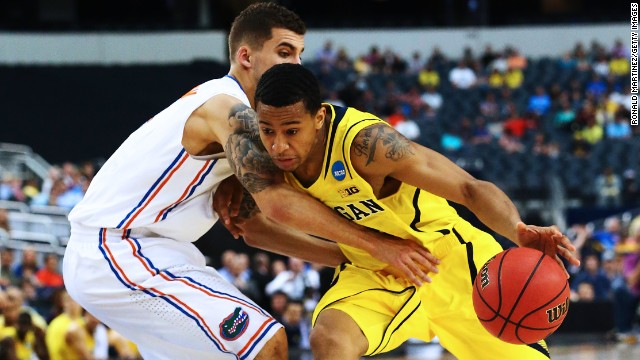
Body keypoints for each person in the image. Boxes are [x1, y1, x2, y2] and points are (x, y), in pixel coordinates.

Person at [63, 3, 434, 360]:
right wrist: (378, 247)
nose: (296, 65)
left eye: (300, 54)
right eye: (285, 52)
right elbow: (276, 202)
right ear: (245, 57)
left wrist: (348, 259)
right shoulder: (226, 108)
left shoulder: (252, 128)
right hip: (117, 247)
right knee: (265, 343)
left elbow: (254, 227)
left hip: (157, 252)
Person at [230, 63, 581, 359]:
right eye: (267, 130)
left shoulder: (367, 145)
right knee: (331, 338)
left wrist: (516, 229)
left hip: (449, 260)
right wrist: (355, 252)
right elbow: (257, 226)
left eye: (292, 131)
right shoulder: (257, 153)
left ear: (319, 117)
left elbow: (468, 188)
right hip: (374, 270)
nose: (278, 145)